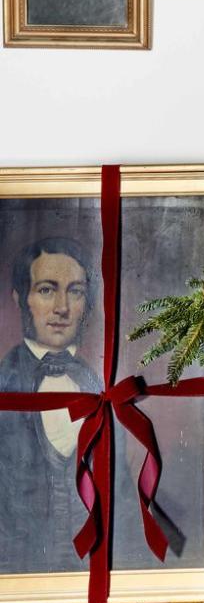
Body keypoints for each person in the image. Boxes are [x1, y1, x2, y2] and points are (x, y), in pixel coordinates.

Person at [0, 237, 104, 572]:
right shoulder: (4, 382)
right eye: (47, 290)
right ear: (21, 299)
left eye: (75, 291)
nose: (62, 307)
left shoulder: (97, 384)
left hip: (93, 569)